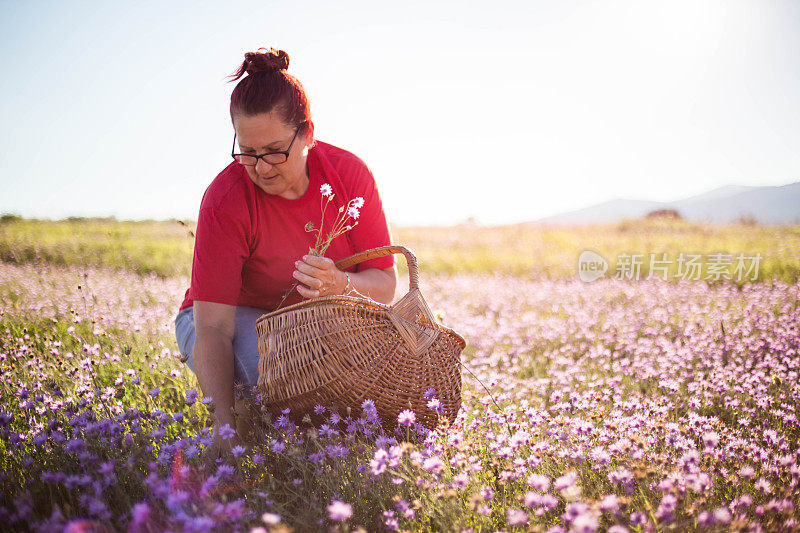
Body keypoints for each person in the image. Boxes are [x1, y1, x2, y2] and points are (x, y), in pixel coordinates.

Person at [174, 48, 397, 457]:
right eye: (247, 152)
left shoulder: (349, 174)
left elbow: (384, 284)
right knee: (295, 394)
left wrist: (341, 284)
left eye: (275, 150)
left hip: (313, 328)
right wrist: (223, 434)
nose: (261, 168)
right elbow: (213, 328)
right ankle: (246, 420)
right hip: (222, 321)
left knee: (377, 397)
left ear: (307, 133)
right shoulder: (226, 200)